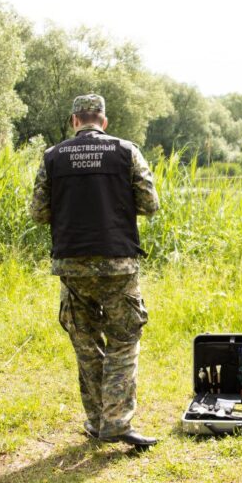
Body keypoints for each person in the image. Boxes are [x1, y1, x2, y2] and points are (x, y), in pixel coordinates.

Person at [30, 94, 160, 448]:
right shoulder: (126, 151)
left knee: (86, 345)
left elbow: (38, 213)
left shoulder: (52, 157)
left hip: (72, 265)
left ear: (75, 121)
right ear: (103, 120)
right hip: (118, 262)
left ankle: (95, 420)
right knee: (124, 340)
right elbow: (150, 204)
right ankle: (116, 422)